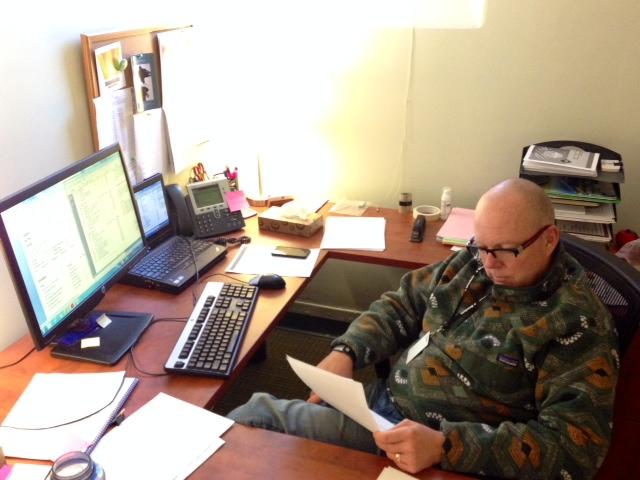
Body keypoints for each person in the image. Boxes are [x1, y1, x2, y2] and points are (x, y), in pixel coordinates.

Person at [229, 178, 618, 479]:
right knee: (259, 431)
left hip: (435, 449)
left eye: (504, 251)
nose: (488, 262)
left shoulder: (577, 323)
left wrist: (447, 447)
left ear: (549, 239)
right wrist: (346, 350)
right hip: (383, 408)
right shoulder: (473, 263)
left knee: (257, 417)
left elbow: (575, 449)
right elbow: (402, 301)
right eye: (480, 246)